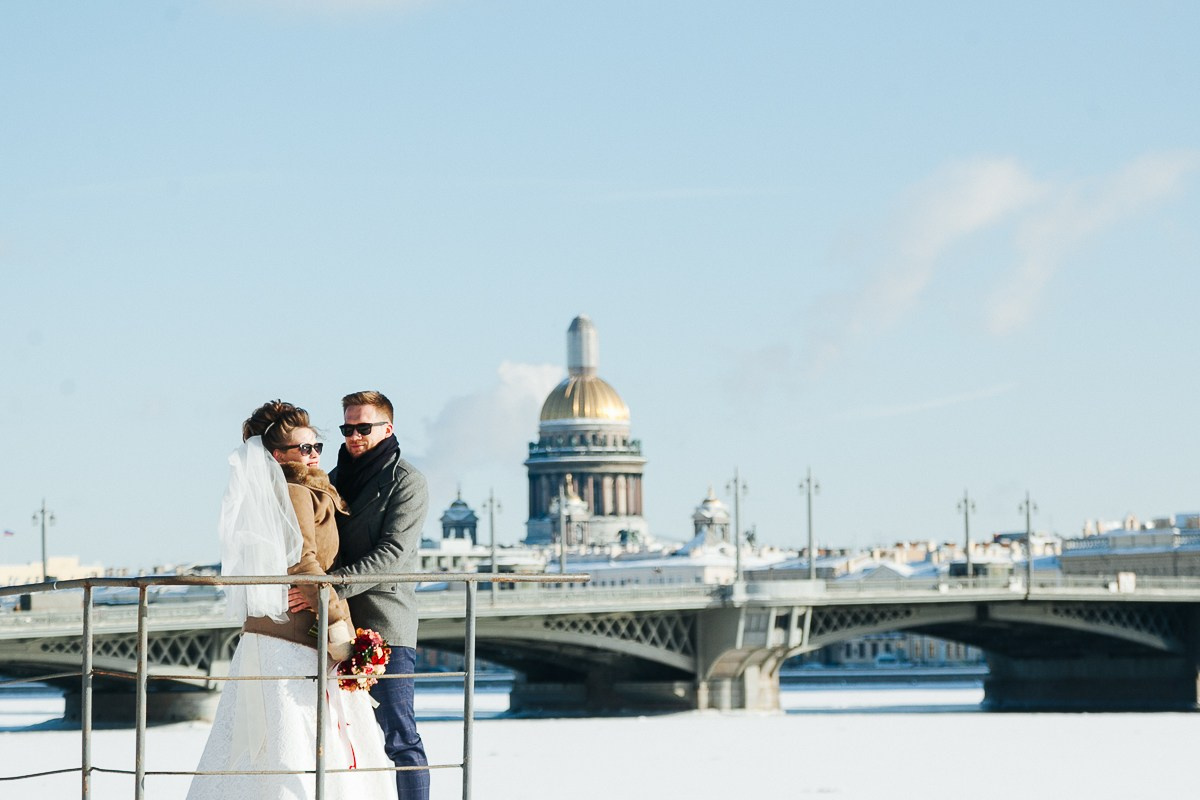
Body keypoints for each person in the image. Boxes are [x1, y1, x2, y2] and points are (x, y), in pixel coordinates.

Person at [188, 401, 397, 800]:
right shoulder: (299, 491)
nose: (315, 454)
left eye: (317, 445)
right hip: (298, 639)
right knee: (306, 740)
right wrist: (339, 626)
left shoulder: (264, 495)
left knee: (260, 742)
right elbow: (304, 563)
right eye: (305, 448)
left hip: (264, 638)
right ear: (277, 457)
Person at [292, 390, 430, 799]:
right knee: (334, 736)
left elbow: (393, 554)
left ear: (388, 429)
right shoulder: (333, 480)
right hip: (334, 621)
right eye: (347, 428)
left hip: (386, 624)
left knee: (399, 737)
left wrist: (328, 586)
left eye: (363, 428)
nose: (354, 436)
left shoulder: (406, 482)